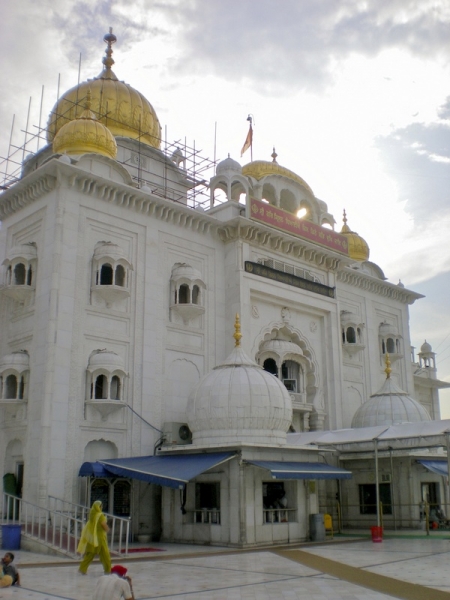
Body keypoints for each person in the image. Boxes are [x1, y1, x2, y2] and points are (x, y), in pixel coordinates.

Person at [78, 500, 111, 574]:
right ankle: (108, 570)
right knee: (105, 555)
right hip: (100, 539)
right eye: (101, 506)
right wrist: (108, 529)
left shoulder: (92, 515)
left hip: (92, 538)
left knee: (89, 554)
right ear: (99, 507)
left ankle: (82, 569)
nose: (102, 507)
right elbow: (104, 525)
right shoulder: (100, 515)